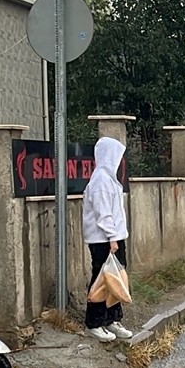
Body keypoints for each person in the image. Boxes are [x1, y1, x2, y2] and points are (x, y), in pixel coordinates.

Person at [81, 136, 132, 341]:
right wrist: (112, 238)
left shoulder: (108, 178)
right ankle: (94, 322)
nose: (119, 160)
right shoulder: (101, 180)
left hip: (113, 237)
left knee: (115, 280)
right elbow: (104, 214)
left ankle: (111, 319)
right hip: (104, 239)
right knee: (102, 280)